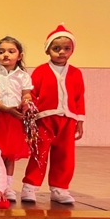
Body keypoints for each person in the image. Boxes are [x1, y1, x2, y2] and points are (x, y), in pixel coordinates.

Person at [22, 25, 85, 205]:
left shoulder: (76, 73)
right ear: (47, 50)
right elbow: (32, 94)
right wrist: (31, 116)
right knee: (39, 153)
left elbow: (79, 97)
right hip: (44, 119)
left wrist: (80, 120)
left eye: (66, 48)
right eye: (56, 48)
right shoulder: (40, 71)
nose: (61, 52)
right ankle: (30, 186)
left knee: (65, 155)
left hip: (68, 120)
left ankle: (60, 188)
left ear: (72, 50)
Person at [0, 36, 33, 201]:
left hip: (14, 119)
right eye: (1, 52)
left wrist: (26, 103)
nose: (5, 55)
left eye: (11, 51)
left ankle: (7, 186)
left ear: (19, 56)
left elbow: (26, 95)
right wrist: (6, 109)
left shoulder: (23, 76)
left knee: (10, 155)